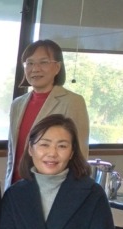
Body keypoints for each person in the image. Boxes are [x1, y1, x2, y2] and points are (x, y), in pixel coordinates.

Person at [5, 39, 89, 188]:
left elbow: (80, 153)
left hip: (54, 188)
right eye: (29, 63)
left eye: (43, 62)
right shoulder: (17, 104)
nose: (35, 69)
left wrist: (73, 191)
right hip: (17, 186)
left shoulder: (72, 101)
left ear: (57, 67)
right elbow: (13, 153)